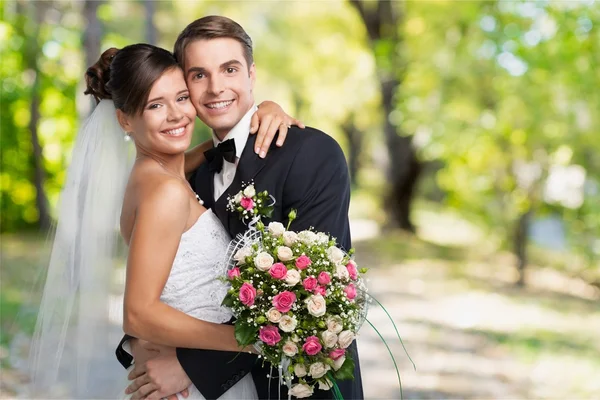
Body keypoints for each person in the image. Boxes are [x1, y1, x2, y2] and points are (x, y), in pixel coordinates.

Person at [27, 42, 300, 399]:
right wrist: (252, 340)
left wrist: (265, 108)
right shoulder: (165, 193)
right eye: (156, 105)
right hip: (200, 381)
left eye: (182, 97)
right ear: (125, 119)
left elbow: (210, 149)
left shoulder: (152, 175)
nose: (177, 115)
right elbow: (138, 315)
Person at [121, 16, 364, 400]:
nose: (216, 87)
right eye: (199, 75)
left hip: (303, 385)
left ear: (251, 74)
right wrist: (143, 344)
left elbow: (312, 303)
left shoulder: (312, 154)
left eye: (229, 69)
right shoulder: (190, 177)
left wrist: (189, 366)